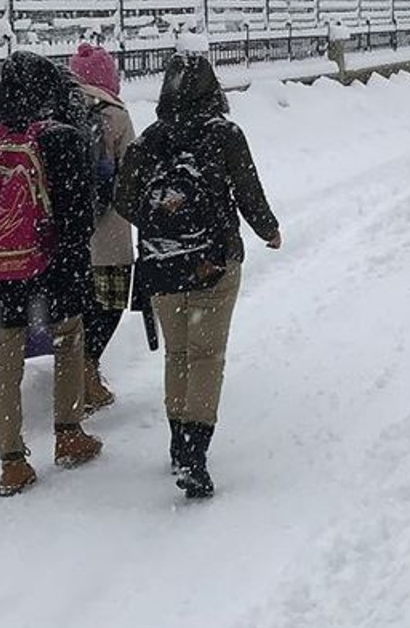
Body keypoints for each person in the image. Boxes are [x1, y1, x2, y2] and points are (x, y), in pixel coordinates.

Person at [115, 52, 280, 500]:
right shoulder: (224, 134)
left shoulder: (150, 139)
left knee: (178, 355)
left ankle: (176, 442)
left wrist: (161, 217)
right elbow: (248, 190)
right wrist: (268, 229)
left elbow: (123, 199)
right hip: (213, 261)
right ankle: (195, 454)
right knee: (207, 357)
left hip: (161, 263)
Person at [0, 51, 102, 497]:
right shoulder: (61, 139)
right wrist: (53, 248)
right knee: (69, 340)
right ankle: (69, 434)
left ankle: (12, 463)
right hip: (51, 271)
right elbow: (79, 214)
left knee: (5, 359)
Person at [69, 43, 137, 414]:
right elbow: (133, 171)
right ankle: (88, 370)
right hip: (109, 232)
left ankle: (74, 372)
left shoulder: (55, 110)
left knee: (75, 307)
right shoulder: (115, 114)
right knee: (108, 304)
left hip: (67, 232)